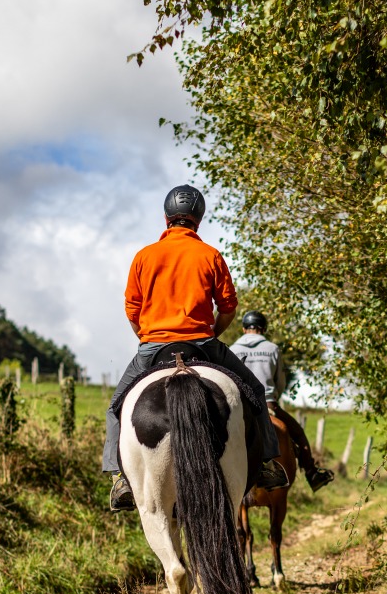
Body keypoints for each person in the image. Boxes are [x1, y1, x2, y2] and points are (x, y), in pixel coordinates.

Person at [104, 185, 289, 511]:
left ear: (166, 218)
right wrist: (212, 333)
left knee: (117, 404)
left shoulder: (144, 257)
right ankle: (265, 466)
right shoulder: (211, 255)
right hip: (202, 344)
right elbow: (228, 307)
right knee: (256, 392)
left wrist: (147, 338)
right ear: (198, 221)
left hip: (153, 346)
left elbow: (132, 310)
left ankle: (120, 478)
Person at [229, 312, 336, 491]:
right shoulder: (272, 348)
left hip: (240, 405)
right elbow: (280, 381)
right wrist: (275, 396)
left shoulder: (232, 349)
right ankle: (312, 474)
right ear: (263, 328)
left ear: (243, 328)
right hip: (268, 403)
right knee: (299, 434)